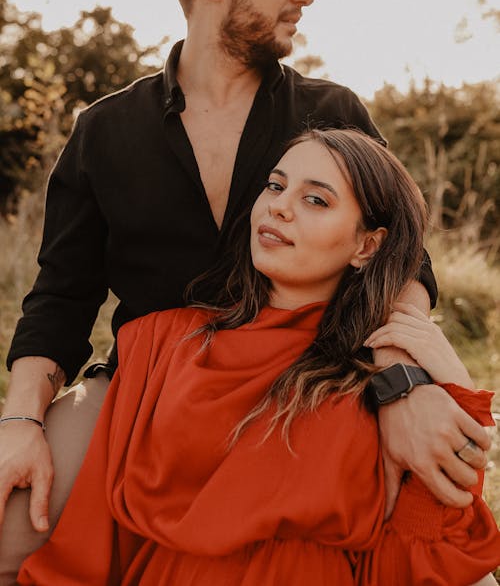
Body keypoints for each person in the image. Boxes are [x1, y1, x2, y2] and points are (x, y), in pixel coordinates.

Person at [0, 0, 491, 581]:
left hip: (313, 374)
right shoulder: (105, 130)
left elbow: (405, 266)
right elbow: (61, 298)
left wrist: (402, 382)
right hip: (146, 382)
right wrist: (20, 425)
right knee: (13, 532)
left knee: (446, 545)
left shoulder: (331, 111)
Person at [16, 129, 500, 585]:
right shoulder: (160, 341)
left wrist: (454, 391)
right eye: (275, 186)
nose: (279, 207)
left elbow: (420, 553)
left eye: (315, 199)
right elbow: (96, 531)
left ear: (366, 245)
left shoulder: (391, 378)